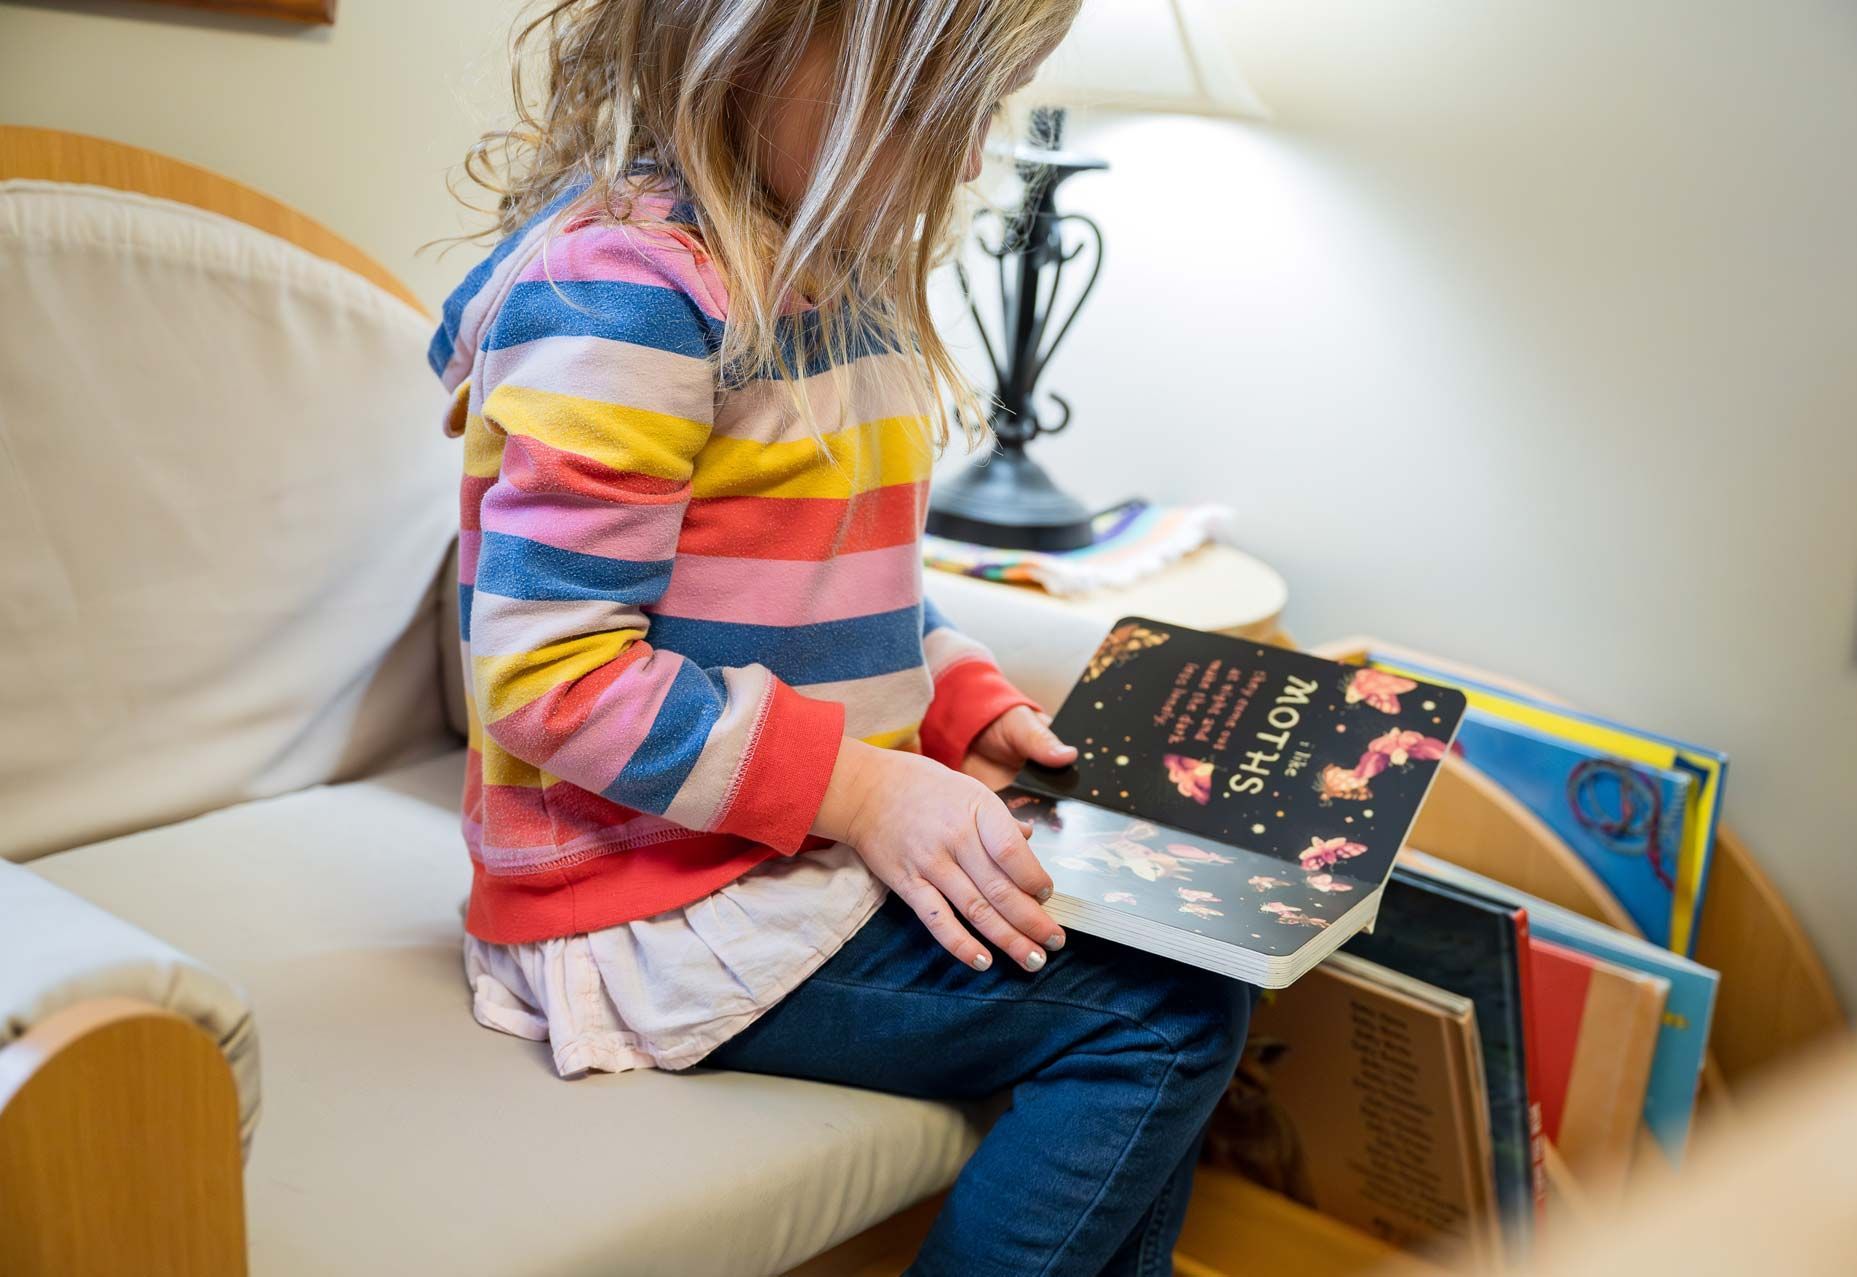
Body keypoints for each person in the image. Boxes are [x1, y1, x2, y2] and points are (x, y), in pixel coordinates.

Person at [431, 4, 1251, 1272]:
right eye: (948, 102)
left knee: (1193, 958)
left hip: (756, 849)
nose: (973, 158)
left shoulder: (828, 273)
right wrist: (865, 787)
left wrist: (962, 704)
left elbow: (843, 584)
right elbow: (554, 676)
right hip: (640, 896)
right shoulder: (631, 297)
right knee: (1160, 1015)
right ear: (769, 43)